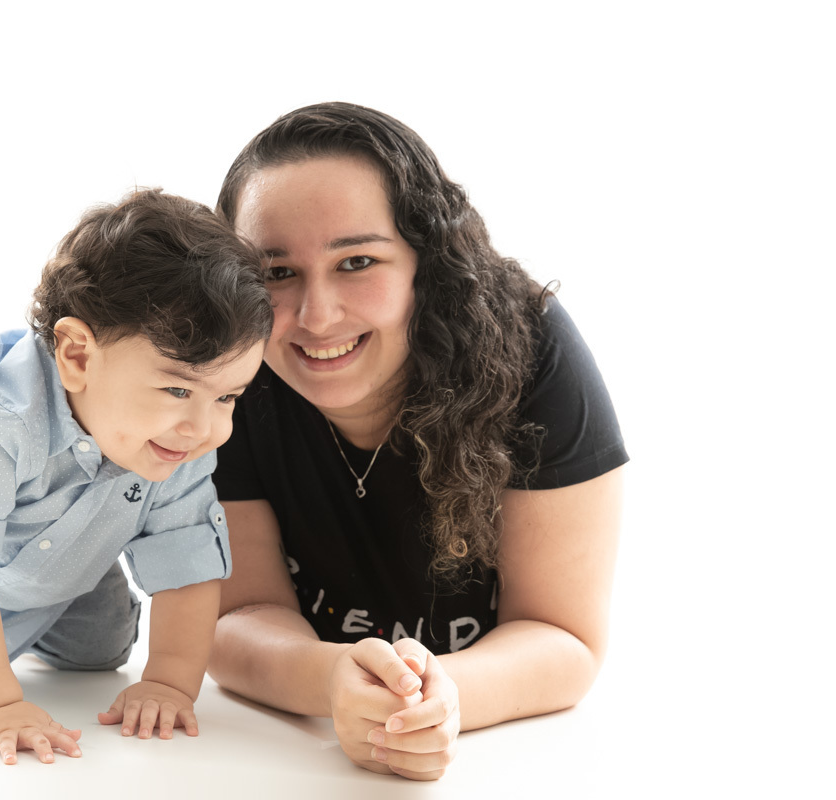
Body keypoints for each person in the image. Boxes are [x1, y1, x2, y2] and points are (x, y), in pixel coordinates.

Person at [206, 103, 629, 782]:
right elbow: (235, 616)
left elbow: (563, 636)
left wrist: (437, 701)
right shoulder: (226, 374)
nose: (316, 316)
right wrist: (333, 681)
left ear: (427, 265)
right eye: (276, 272)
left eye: (357, 261)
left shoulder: (533, 347)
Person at [0, 189, 272, 766]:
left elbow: (187, 562)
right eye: (177, 389)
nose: (205, 429)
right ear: (78, 356)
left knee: (101, 651)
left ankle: (38, 597)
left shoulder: (181, 438)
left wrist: (167, 683)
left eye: (228, 397)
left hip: (64, 541)